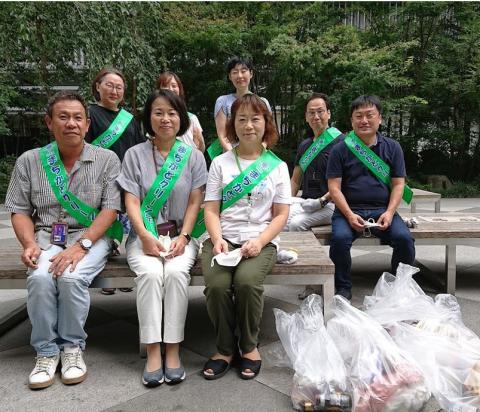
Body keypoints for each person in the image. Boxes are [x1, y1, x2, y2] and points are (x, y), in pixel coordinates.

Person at [5, 91, 122, 389]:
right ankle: (46, 352)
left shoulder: (106, 159)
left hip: (91, 236)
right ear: (49, 122)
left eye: (78, 118)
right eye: (63, 117)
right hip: (45, 234)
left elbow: (110, 210)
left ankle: (71, 348)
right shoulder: (30, 161)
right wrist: (29, 243)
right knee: (41, 277)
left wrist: (81, 246)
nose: (71, 123)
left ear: (87, 125)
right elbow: (18, 210)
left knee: (71, 277)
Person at [116, 89, 207, 387]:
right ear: (149, 118)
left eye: (172, 112)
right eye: (158, 112)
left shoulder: (193, 157)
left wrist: (184, 236)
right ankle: (153, 349)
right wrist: (142, 235)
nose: (165, 118)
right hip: (144, 236)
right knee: (152, 274)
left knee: (178, 273)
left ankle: (173, 349)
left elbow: (196, 201)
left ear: (181, 117)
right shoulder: (133, 155)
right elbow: (130, 200)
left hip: (181, 234)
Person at [201, 94, 291, 380]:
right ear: (233, 125)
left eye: (255, 119)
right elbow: (211, 209)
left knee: (247, 283)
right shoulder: (219, 163)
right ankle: (225, 348)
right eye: (241, 119)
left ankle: (249, 346)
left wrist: (261, 241)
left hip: (260, 239)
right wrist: (216, 239)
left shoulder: (277, 166)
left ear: (266, 124)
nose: (248, 125)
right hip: (223, 237)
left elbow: (280, 215)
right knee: (216, 286)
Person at [326, 95, 415, 300]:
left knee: (404, 240)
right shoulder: (340, 149)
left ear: (380, 119)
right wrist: (348, 215)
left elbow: (398, 184)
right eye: (359, 116)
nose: (364, 120)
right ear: (351, 120)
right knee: (339, 240)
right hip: (348, 210)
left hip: (383, 208)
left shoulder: (392, 147)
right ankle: (342, 287)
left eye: (369, 115)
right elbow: (334, 188)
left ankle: (398, 288)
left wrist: (390, 212)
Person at [85, 67, 145, 295]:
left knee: (131, 226)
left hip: (127, 180)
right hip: (99, 181)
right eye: (109, 85)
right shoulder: (89, 114)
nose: (114, 90)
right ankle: (102, 275)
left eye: (119, 87)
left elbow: (139, 147)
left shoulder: (128, 119)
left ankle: (125, 272)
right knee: (104, 228)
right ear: (97, 87)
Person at [286, 92, 344, 232]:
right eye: (311, 113)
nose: (316, 116)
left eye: (320, 111)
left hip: (332, 204)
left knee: (295, 223)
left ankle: (300, 253)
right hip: (305, 202)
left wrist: (321, 201)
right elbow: (295, 181)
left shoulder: (341, 142)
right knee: (278, 216)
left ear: (328, 114)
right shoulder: (305, 145)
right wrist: (285, 202)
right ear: (306, 117)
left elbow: (345, 181)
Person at [213, 57, 271, 153]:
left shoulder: (262, 102)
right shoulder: (223, 101)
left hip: (257, 160)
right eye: (235, 72)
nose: (239, 76)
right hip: (231, 156)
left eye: (243, 71)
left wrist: (260, 152)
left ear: (251, 74)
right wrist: (235, 156)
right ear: (230, 76)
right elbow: (222, 135)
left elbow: (268, 132)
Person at [156, 71, 205, 152]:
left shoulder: (191, 118)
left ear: (179, 88)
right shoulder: (155, 118)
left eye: (174, 86)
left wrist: (200, 141)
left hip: (189, 162)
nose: (170, 89)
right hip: (163, 163)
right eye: (165, 86)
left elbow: (201, 149)